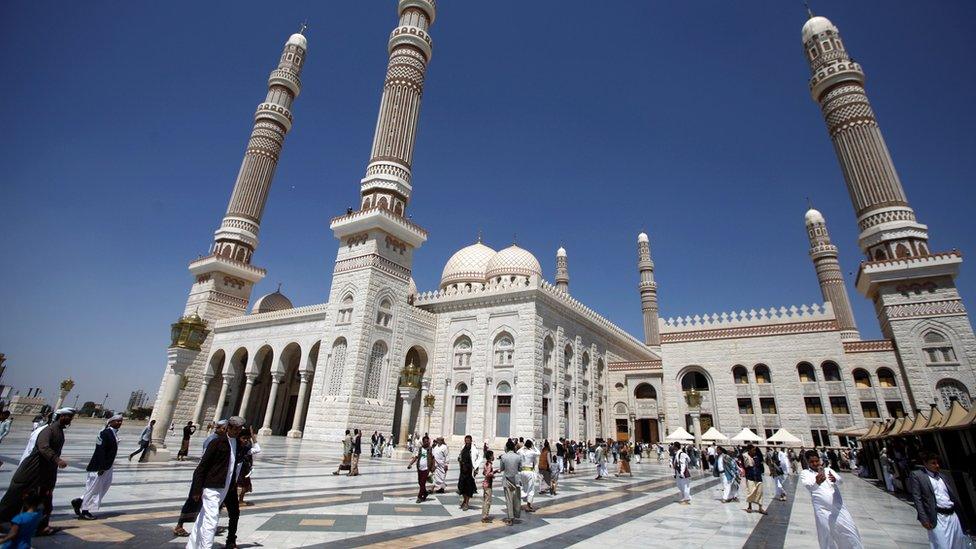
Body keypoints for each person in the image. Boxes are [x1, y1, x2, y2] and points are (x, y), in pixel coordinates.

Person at [0, 407, 75, 536]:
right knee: (14, 497)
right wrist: (57, 460)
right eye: (68, 416)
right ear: (61, 416)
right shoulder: (48, 430)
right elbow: (43, 447)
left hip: (46, 471)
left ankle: (42, 527)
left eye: (71, 416)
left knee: (46, 499)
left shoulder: (59, 431)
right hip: (32, 469)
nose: (70, 419)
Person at [186, 415, 245, 549]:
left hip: (228, 487)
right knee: (212, 520)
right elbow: (202, 467)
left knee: (203, 517)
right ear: (228, 428)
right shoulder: (216, 443)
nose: (237, 432)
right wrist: (196, 489)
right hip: (213, 486)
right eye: (235, 429)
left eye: (239, 429)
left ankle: (192, 546)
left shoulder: (238, 444)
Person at [800, 449, 863, 549]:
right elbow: (809, 486)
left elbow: (840, 481)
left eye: (816, 461)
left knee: (849, 531)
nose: (815, 463)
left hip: (838, 507)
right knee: (826, 533)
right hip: (822, 509)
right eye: (812, 462)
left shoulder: (828, 470)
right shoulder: (805, 473)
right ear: (807, 462)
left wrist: (835, 479)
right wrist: (817, 482)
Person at [908, 452, 968, 549]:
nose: (937, 465)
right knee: (941, 544)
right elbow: (917, 498)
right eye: (933, 463)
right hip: (937, 517)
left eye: (937, 463)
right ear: (925, 463)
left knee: (957, 544)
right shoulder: (918, 476)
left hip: (952, 516)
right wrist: (924, 518)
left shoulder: (942, 477)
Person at [71, 414, 122, 520]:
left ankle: (80, 501)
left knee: (103, 486)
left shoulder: (113, 433)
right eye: (117, 421)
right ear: (110, 422)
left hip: (107, 465)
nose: (119, 423)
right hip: (100, 466)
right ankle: (85, 511)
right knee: (93, 488)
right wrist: (101, 466)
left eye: (120, 421)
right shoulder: (105, 433)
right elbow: (100, 451)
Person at [498, 439, 523, 525]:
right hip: (516, 479)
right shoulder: (518, 457)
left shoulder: (503, 457)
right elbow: (520, 468)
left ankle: (510, 517)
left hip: (507, 479)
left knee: (509, 499)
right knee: (516, 498)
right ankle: (516, 514)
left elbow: (501, 469)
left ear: (507, 448)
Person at [237, 428, 261, 507]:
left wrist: (253, 437)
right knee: (240, 485)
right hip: (237, 471)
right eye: (244, 438)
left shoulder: (246, 448)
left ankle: (239, 500)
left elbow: (257, 449)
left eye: (248, 438)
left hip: (244, 469)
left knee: (244, 485)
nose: (246, 440)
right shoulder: (234, 447)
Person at [407, 435, 434, 503]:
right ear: (423, 442)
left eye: (427, 441)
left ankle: (419, 497)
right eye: (425, 441)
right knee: (420, 482)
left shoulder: (431, 449)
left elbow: (433, 458)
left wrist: (433, 467)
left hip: (426, 469)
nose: (426, 443)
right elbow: (416, 457)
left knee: (422, 483)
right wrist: (410, 464)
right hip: (419, 468)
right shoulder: (420, 449)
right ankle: (425, 493)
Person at [517, 439, 540, 512]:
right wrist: (534, 446)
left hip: (522, 472)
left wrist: (523, 446)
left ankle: (520, 499)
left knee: (524, 487)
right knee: (531, 489)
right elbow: (539, 453)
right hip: (529, 471)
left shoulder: (521, 452)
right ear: (531, 445)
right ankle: (528, 505)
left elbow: (517, 451)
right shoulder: (532, 452)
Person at [744, 445, 767, 514]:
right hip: (750, 477)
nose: (755, 451)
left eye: (755, 450)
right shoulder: (745, 457)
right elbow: (745, 465)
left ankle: (760, 508)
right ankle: (749, 506)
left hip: (758, 477)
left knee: (760, 492)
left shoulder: (757, 457)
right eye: (753, 450)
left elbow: (761, 466)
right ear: (749, 450)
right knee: (750, 492)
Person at [457, 435, 477, 510]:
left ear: (471, 441)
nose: (467, 441)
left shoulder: (473, 449)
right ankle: (464, 500)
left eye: (468, 440)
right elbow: (460, 456)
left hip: (469, 471)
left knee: (468, 487)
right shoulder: (463, 447)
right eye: (466, 440)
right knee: (461, 486)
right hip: (462, 470)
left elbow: (476, 459)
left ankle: (467, 503)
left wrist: (475, 470)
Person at [481, 448, 496, 523]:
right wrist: (494, 473)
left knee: (485, 500)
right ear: (490, 457)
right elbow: (487, 474)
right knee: (488, 501)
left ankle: (484, 515)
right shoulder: (489, 465)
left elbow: (483, 473)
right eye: (493, 455)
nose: (494, 457)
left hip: (485, 483)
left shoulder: (486, 463)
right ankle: (485, 517)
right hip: (488, 484)